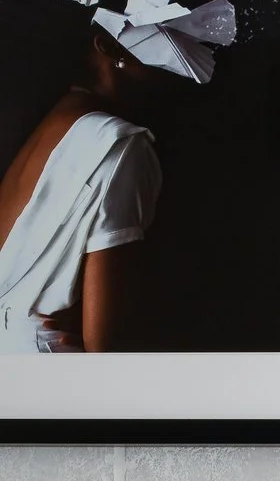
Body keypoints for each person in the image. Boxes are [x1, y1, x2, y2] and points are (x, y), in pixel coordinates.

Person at [0, 25, 161, 353]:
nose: (176, 64)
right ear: (109, 46)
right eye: (166, 35)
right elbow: (106, 346)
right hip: (49, 366)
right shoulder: (118, 144)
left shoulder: (52, 123)